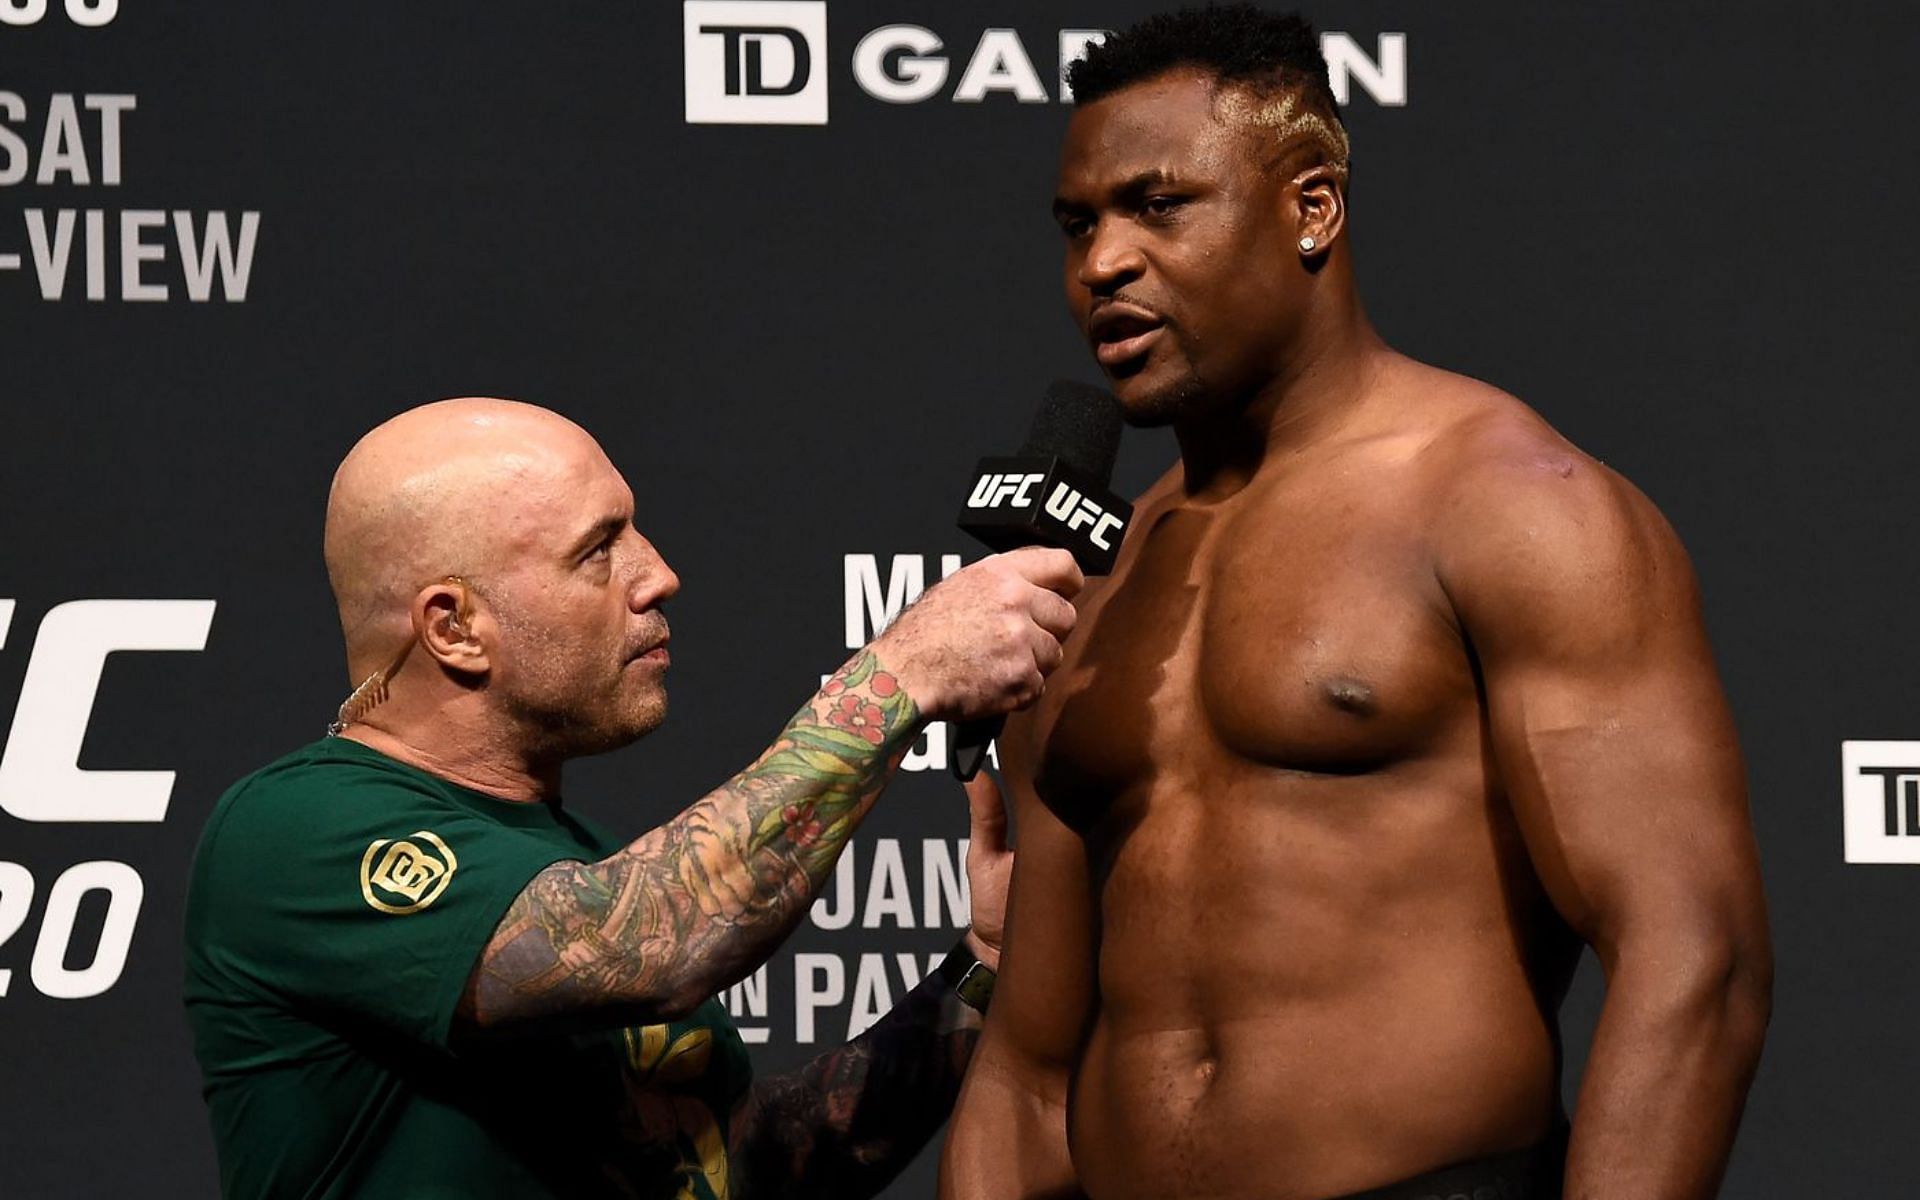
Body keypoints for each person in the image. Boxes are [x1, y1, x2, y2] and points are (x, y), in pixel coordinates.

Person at [940, 8, 1771, 1200]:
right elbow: (1024, 1070)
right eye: (1080, 225)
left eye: (1159, 204)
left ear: (1311, 209)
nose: (1103, 262)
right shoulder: (1099, 588)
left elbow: (1697, 959)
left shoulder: (1510, 507)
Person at [183, 397, 1083, 1199]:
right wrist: (898, 676)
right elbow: (646, 941)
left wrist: (983, 962)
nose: (657, 576)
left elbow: (751, 1165)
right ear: (454, 627)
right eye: (597, 550)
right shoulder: (292, 834)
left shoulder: (574, 851)